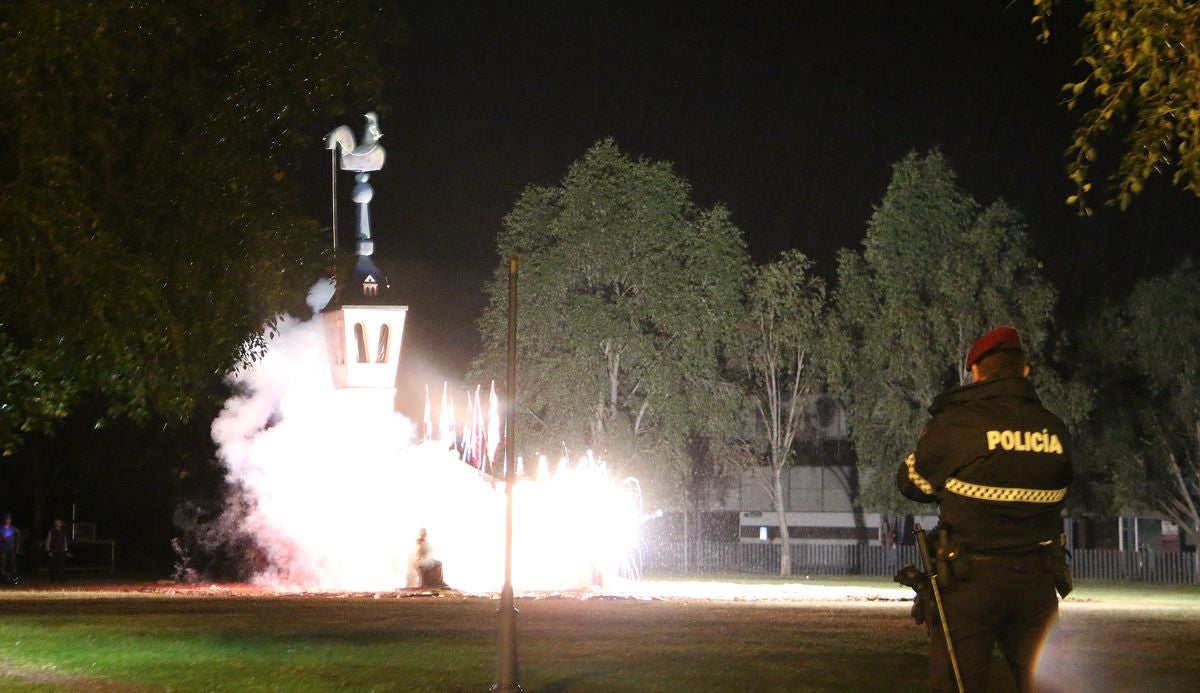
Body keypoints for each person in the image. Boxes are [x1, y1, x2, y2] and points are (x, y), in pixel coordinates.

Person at [896, 325, 1074, 692]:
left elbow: (911, 483)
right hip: (1037, 582)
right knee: (1043, 683)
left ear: (976, 372)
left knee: (959, 683)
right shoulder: (1055, 429)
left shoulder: (957, 424)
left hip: (968, 582)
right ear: (1024, 372)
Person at [45, 517, 70, 583]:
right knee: (53, 566)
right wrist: (49, 551)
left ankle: (62, 579)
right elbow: (48, 541)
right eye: (57, 522)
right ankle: (52, 579)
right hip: (54, 551)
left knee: (62, 566)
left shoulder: (64, 531)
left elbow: (65, 541)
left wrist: (66, 550)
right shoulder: (52, 531)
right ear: (55, 523)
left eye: (60, 522)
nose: (59, 523)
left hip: (62, 551)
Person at [1, 514, 20, 584]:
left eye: (9, 519)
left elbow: (18, 532)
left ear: (10, 520)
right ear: (4, 520)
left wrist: (17, 545)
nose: (8, 520)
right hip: (3, 549)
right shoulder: (1, 528)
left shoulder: (13, 528)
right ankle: (5, 578)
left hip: (11, 549)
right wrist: (3, 539)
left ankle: (14, 579)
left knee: (12, 564)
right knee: (3, 564)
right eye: (6, 519)